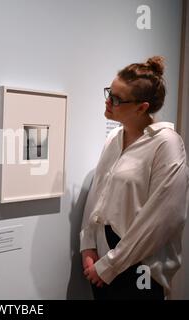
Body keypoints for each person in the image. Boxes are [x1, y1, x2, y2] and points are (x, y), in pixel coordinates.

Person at [80, 56, 188, 300]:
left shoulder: (166, 144)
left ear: (142, 107)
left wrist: (110, 266)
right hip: (102, 262)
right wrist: (87, 245)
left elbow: (160, 221)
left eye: (117, 99)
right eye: (109, 92)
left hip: (137, 268)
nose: (108, 101)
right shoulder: (115, 138)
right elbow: (98, 194)